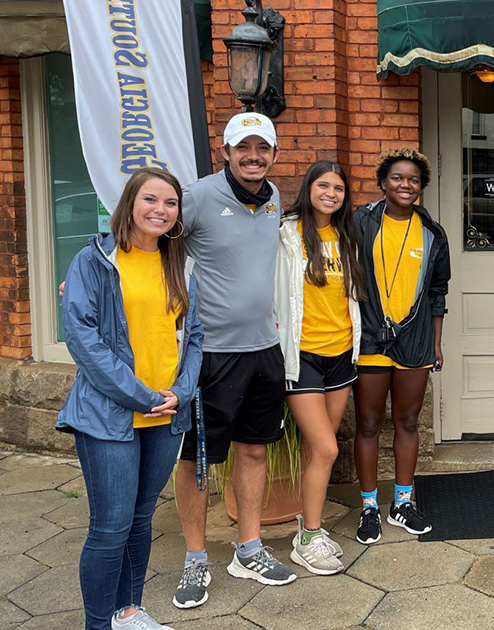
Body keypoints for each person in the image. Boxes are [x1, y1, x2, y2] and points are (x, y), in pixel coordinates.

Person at [57, 168, 203, 630]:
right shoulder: (95, 260)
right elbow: (81, 338)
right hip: (109, 416)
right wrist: (139, 395)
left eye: (170, 203)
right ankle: (98, 624)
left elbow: (195, 337)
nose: (160, 209)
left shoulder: (180, 263)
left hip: (165, 415)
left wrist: (180, 393)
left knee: (141, 519)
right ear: (130, 203)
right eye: (151, 199)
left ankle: (128, 611)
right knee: (110, 526)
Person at [172, 112, 296, 609]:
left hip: (264, 349)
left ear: (273, 155)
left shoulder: (273, 199)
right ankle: (196, 560)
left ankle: (248, 549)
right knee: (197, 460)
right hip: (211, 355)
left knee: (254, 449)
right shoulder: (198, 196)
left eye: (261, 148)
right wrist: (97, 274)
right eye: (242, 147)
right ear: (224, 152)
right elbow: (146, 233)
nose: (252, 156)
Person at [352, 148, 451, 544]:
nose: (405, 185)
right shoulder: (360, 222)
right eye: (397, 178)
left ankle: (403, 503)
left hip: (416, 341)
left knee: (408, 422)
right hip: (371, 337)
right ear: (382, 182)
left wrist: (437, 343)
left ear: (421, 186)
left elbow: (439, 292)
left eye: (413, 180)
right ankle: (369, 506)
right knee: (369, 424)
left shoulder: (432, 233)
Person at [275, 160, 365, 574]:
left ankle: (310, 530)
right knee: (328, 447)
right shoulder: (285, 233)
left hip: (341, 354)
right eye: (323, 185)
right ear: (309, 187)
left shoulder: (347, 236)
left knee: (320, 452)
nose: (331, 193)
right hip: (303, 356)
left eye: (339, 188)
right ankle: (308, 536)